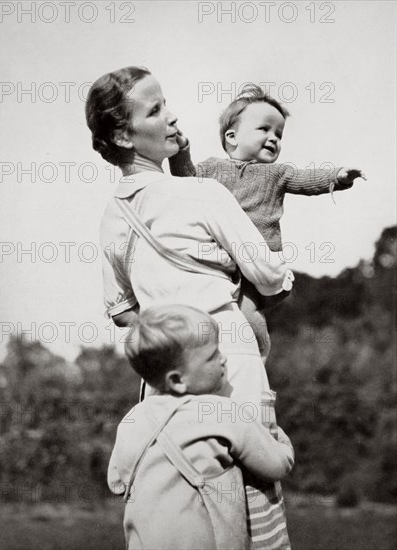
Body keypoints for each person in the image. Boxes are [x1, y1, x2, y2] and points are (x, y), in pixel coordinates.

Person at [86, 66, 294, 548]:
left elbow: (122, 312)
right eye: (156, 110)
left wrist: (170, 324)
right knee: (254, 500)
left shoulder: (111, 217)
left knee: (181, 505)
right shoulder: (203, 192)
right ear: (123, 133)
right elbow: (268, 275)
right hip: (228, 360)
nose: (172, 117)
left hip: (165, 379)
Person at [170, 84, 367, 357]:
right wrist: (180, 152)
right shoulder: (211, 168)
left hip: (256, 260)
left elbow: (307, 179)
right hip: (218, 257)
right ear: (232, 137)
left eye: (279, 133)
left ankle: (259, 357)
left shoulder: (277, 174)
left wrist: (338, 176)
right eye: (264, 129)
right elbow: (186, 182)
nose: (274, 138)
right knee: (209, 314)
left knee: (246, 314)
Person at [108, 304, 294, 550]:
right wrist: (279, 438)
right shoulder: (221, 411)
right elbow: (277, 465)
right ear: (177, 380)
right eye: (212, 355)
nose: (224, 358)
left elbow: (116, 481)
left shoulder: (132, 420)